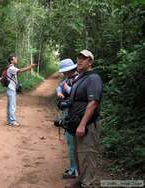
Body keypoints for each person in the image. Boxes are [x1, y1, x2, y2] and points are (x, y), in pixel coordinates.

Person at [66, 50, 103, 188]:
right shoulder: (81, 77)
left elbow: (93, 102)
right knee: (78, 155)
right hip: (76, 124)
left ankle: (88, 184)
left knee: (87, 156)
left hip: (87, 125)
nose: (80, 60)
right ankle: (81, 181)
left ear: (90, 62)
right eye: (78, 58)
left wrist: (82, 124)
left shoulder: (93, 78)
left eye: (84, 58)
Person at [56, 58, 78, 179]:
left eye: (65, 71)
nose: (64, 74)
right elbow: (59, 87)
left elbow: (76, 93)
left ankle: (74, 170)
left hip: (75, 116)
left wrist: (66, 87)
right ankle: (73, 168)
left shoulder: (78, 79)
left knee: (72, 145)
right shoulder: (68, 79)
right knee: (70, 143)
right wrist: (60, 91)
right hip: (69, 115)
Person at [6, 54, 37, 127]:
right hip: (11, 89)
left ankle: (9, 121)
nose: (16, 60)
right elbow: (21, 71)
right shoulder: (11, 68)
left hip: (10, 88)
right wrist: (30, 67)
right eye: (15, 59)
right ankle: (12, 122)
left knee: (10, 105)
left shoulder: (11, 67)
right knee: (12, 106)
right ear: (11, 61)